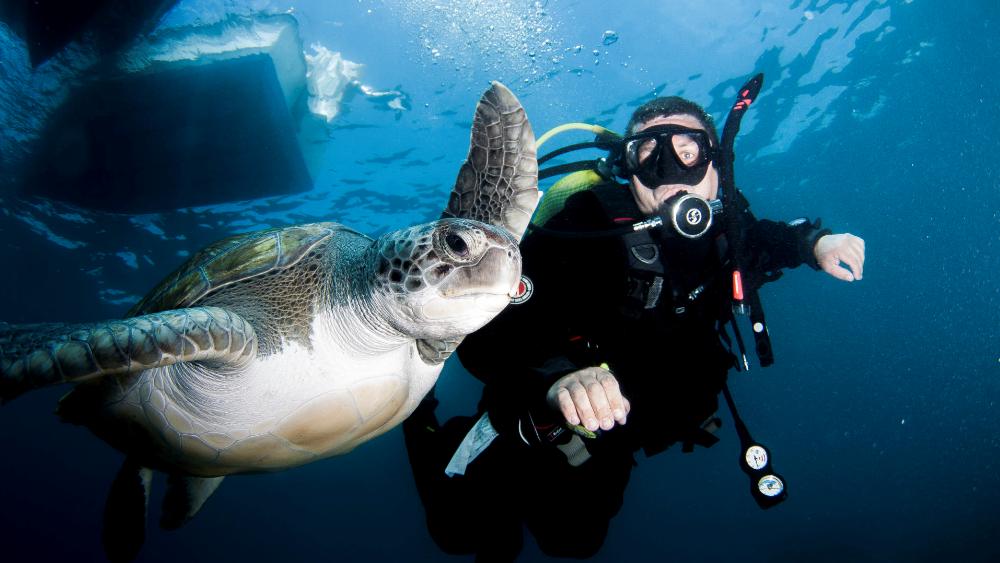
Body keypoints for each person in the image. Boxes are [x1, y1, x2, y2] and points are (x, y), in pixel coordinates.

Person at [403, 82, 865, 561]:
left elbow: (767, 240)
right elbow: (485, 336)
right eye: (649, 155)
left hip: (617, 431)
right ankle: (419, 420)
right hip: (530, 416)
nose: (671, 171)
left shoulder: (730, 228)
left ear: (716, 164)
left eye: (689, 151)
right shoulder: (583, 228)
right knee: (459, 532)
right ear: (627, 169)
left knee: (574, 543)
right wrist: (558, 377)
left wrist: (814, 244)